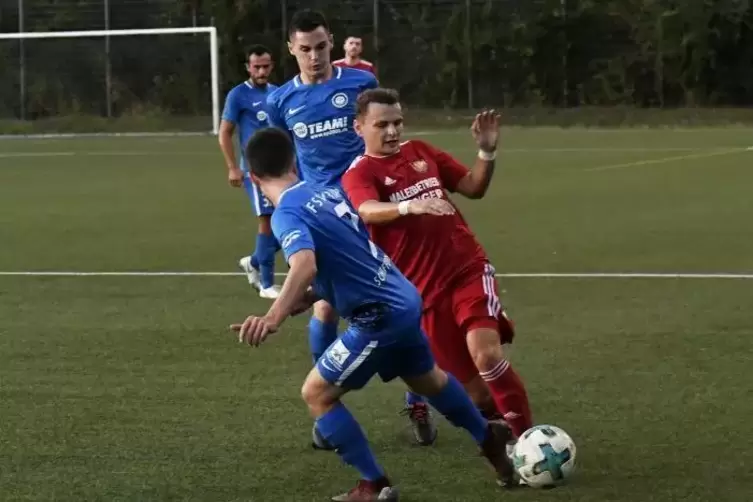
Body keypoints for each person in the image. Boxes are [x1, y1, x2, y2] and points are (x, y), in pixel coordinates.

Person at [230, 126, 516, 501]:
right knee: (427, 381)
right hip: (403, 296)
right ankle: (488, 437)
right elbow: (347, 258)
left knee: (317, 394)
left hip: (378, 315)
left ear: (253, 178)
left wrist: (273, 317)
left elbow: (304, 265)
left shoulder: (286, 213)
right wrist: (302, 299)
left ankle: (373, 485)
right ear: (294, 162)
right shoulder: (325, 191)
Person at [265, 9, 436, 445]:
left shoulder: (358, 84)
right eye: (304, 49)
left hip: (374, 207)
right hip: (329, 219)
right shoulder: (280, 101)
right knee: (325, 308)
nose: (314, 56)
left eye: (321, 46)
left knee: (399, 305)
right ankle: (328, 410)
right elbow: (283, 159)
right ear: (292, 50)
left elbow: (385, 138)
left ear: (331, 42)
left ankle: (418, 399)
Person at [341, 88, 534, 439]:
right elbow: (366, 209)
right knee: (479, 397)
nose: (392, 132)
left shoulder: (422, 152)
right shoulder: (360, 172)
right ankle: (502, 428)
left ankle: (529, 442)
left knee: (486, 355)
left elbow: (473, 187)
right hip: (424, 296)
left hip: (466, 269)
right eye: (381, 124)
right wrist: (408, 207)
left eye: (397, 122)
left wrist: (486, 152)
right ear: (359, 127)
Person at [218, 44, 280, 299]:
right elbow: (224, 132)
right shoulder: (238, 95)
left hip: (281, 169)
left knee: (288, 222)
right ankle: (266, 284)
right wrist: (233, 167)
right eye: (257, 67)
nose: (262, 71)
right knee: (266, 223)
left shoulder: (277, 93)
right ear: (248, 67)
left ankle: (253, 262)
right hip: (255, 171)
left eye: (266, 66)